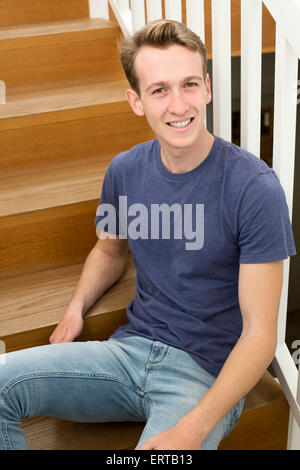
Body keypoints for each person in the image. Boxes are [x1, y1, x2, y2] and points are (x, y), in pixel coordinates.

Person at [0, 20, 296, 451]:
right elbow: (108, 249)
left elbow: (259, 335)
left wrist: (191, 431)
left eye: (189, 84)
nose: (179, 105)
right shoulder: (125, 170)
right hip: (129, 351)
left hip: (204, 374)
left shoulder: (254, 188)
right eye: (159, 90)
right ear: (136, 101)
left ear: (208, 88)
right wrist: (76, 308)